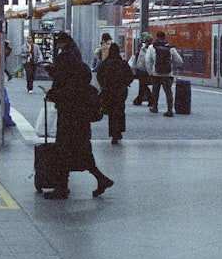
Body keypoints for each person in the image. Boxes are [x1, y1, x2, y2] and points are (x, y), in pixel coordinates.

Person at [44, 35, 113, 199]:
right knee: (83, 151)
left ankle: (62, 188)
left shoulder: (65, 65)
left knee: (63, 151)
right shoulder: (81, 67)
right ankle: (101, 178)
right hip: (81, 119)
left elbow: (65, 91)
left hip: (68, 117)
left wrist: (52, 94)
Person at [96, 43, 135, 144]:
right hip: (121, 91)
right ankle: (119, 131)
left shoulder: (105, 63)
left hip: (108, 90)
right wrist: (125, 83)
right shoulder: (123, 63)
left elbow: (99, 75)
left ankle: (113, 133)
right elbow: (130, 76)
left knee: (111, 112)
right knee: (120, 110)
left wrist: (103, 85)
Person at [144, 30, 183, 117]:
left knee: (155, 91)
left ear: (156, 37)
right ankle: (169, 110)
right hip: (168, 74)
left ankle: (155, 107)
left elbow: (148, 61)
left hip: (156, 74)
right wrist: (173, 65)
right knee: (168, 92)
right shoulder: (170, 47)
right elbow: (179, 61)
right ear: (164, 37)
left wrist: (150, 72)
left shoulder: (151, 47)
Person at [130, 33, 153, 106]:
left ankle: (149, 99)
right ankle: (139, 99)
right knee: (142, 85)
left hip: (143, 69)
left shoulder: (143, 48)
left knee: (143, 85)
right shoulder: (150, 48)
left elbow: (138, 57)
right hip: (145, 69)